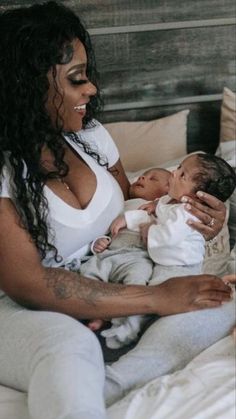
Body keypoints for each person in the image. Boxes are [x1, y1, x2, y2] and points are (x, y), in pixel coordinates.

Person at [0, 2, 234, 419]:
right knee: (70, 346)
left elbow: (130, 204)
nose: (90, 89)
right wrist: (155, 297)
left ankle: (112, 383)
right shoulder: (4, 170)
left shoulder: (90, 136)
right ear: (26, 84)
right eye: (76, 79)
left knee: (219, 299)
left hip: (117, 271)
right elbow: (27, 283)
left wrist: (198, 220)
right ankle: (85, 372)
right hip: (21, 308)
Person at [82, 154, 236, 349]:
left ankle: (131, 328)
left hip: (182, 266)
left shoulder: (186, 213)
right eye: (179, 167)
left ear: (197, 195)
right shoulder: (168, 201)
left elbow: (167, 235)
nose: (174, 172)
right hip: (164, 261)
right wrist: (128, 219)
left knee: (155, 297)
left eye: (182, 175)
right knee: (148, 292)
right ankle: (121, 319)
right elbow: (152, 215)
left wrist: (149, 230)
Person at [81, 168, 171, 346]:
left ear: (168, 190)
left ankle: (128, 327)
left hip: (139, 256)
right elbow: (104, 228)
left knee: (136, 287)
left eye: (153, 178)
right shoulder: (122, 204)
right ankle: (98, 313)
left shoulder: (164, 208)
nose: (143, 176)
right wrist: (99, 242)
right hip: (110, 252)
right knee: (88, 274)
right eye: (143, 174)